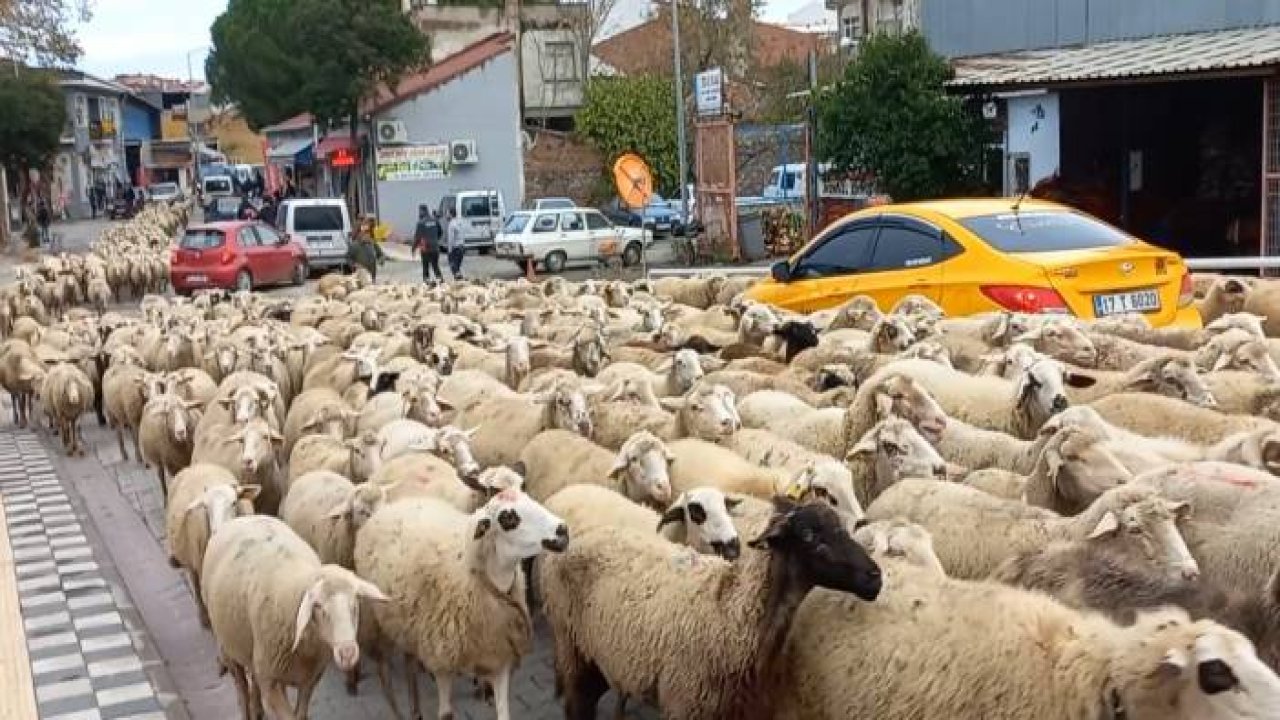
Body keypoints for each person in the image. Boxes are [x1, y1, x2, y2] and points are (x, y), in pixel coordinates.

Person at [412, 205, 444, 284]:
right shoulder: (435, 220)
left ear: (422, 211)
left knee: (425, 266)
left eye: (419, 211)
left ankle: (427, 282)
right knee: (435, 265)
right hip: (435, 247)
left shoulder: (421, 223)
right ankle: (440, 281)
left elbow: (417, 238)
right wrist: (435, 240)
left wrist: (413, 249)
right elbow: (440, 232)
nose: (419, 213)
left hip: (425, 248)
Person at [347, 216, 384, 282]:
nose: (367, 235)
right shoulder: (354, 246)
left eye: (368, 233)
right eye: (365, 233)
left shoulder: (373, 243)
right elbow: (348, 258)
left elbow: (381, 255)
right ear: (360, 234)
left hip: (372, 275)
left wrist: (380, 260)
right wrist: (354, 265)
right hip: (360, 276)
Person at [445, 209, 465, 281]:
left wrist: (449, 251)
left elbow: (451, 239)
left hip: (455, 249)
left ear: (450, 214)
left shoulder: (451, 224)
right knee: (457, 267)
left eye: (447, 214)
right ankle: (460, 281)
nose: (446, 215)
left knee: (453, 266)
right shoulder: (459, 222)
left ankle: (460, 281)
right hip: (462, 247)